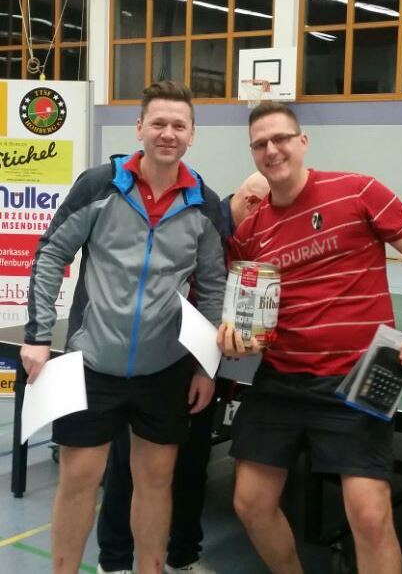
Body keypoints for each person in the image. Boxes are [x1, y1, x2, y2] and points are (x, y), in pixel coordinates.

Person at [217, 102, 402, 574]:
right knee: (250, 502)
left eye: (281, 138)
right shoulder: (252, 232)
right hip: (282, 379)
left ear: (303, 142)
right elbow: (249, 316)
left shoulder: (359, 191)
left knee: (370, 515)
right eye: (260, 144)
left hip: (360, 374)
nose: (272, 150)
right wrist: (237, 339)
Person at [20, 81, 227, 574]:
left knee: (155, 483)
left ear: (192, 134)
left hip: (164, 370)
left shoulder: (204, 203)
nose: (168, 133)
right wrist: (38, 337)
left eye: (178, 125)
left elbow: (214, 287)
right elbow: (51, 253)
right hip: (91, 363)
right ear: (139, 128)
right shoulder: (100, 185)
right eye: (158, 123)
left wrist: (205, 367)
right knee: (79, 480)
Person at [96, 172, 270, 574]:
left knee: (192, 466)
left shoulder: (250, 238)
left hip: (204, 372)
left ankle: (182, 557)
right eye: (268, 211)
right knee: (128, 467)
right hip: (151, 367)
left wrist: (213, 362)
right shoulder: (198, 215)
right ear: (252, 203)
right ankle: (115, 562)